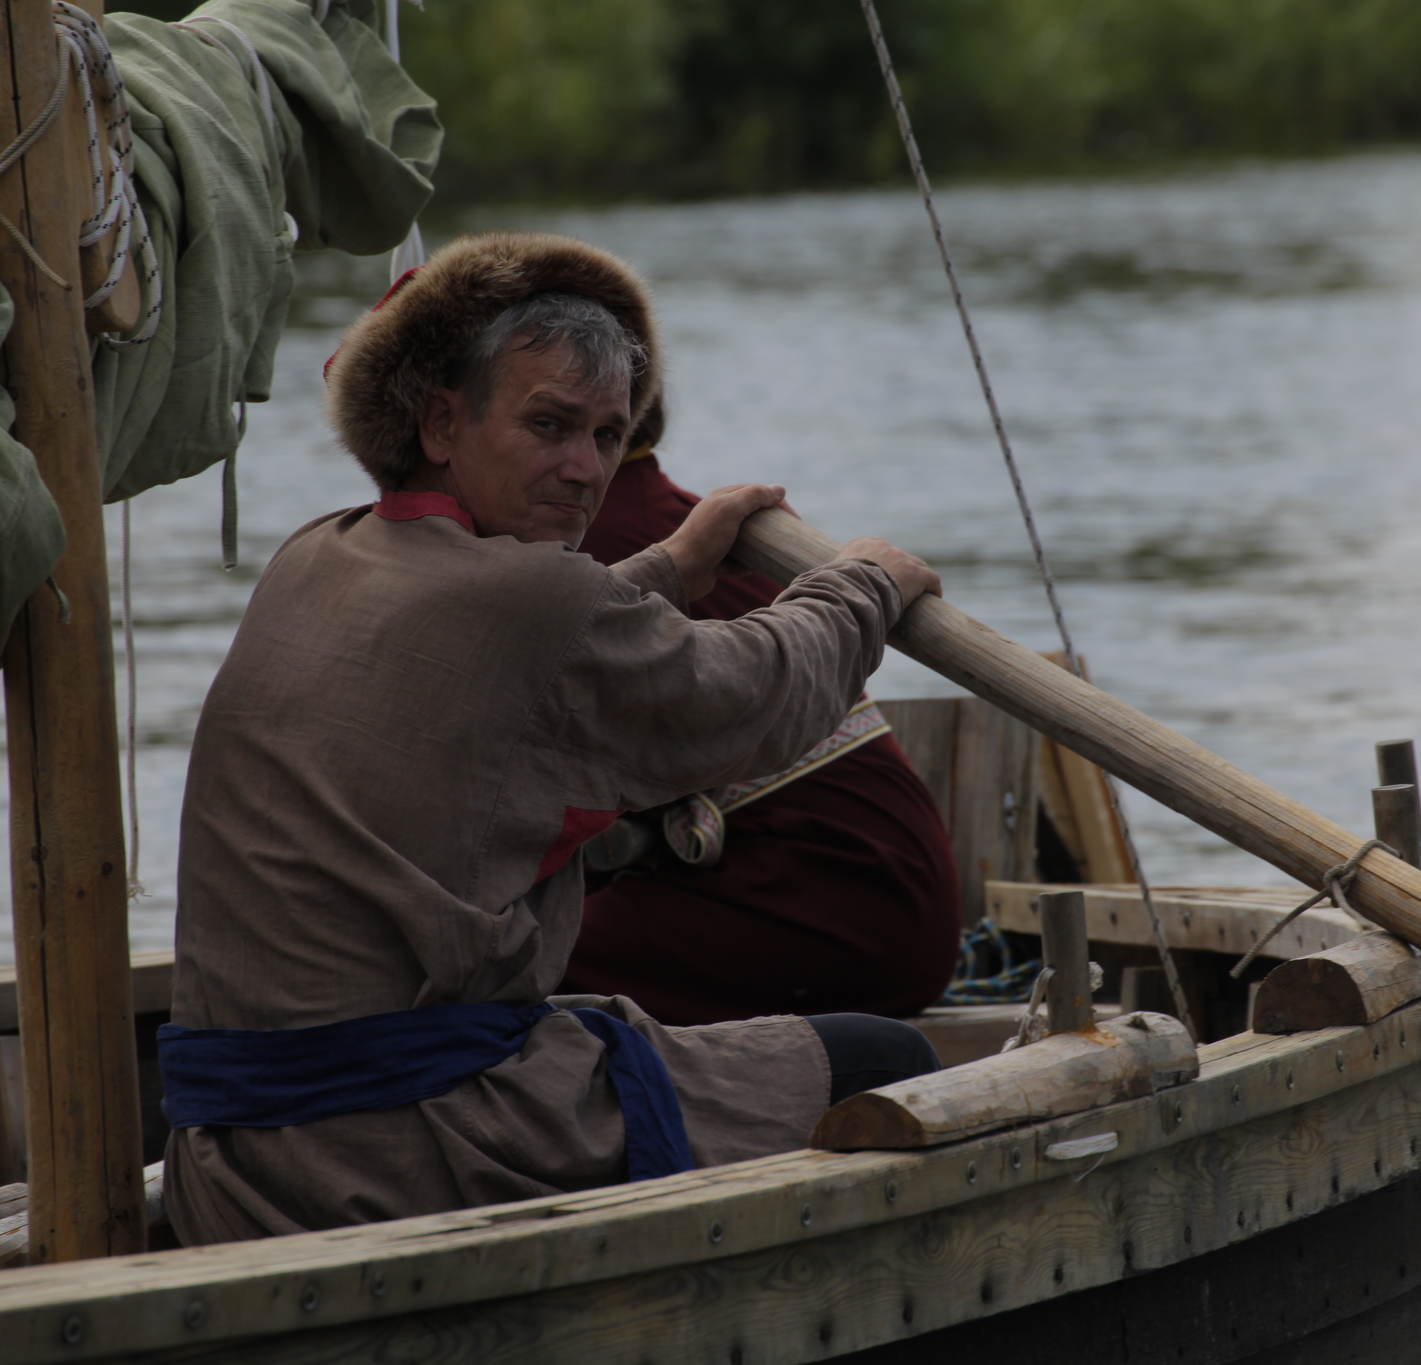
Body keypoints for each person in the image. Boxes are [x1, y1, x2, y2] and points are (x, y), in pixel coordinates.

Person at [161, 232, 941, 1244]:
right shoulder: (533, 598)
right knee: (891, 1068)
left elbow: (528, 654)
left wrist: (668, 565)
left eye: (608, 436)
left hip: (233, 1154)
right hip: (417, 1147)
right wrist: (861, 583)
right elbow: (753, 696)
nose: (583, 471)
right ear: (441, 423)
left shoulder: (321, 553)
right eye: (548, 425)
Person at [559, 400, 963, 1025]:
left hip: (838, 904)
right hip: (896, 895)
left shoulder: (578, 541)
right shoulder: (668, 519)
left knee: (499, 959)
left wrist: (865, 588)